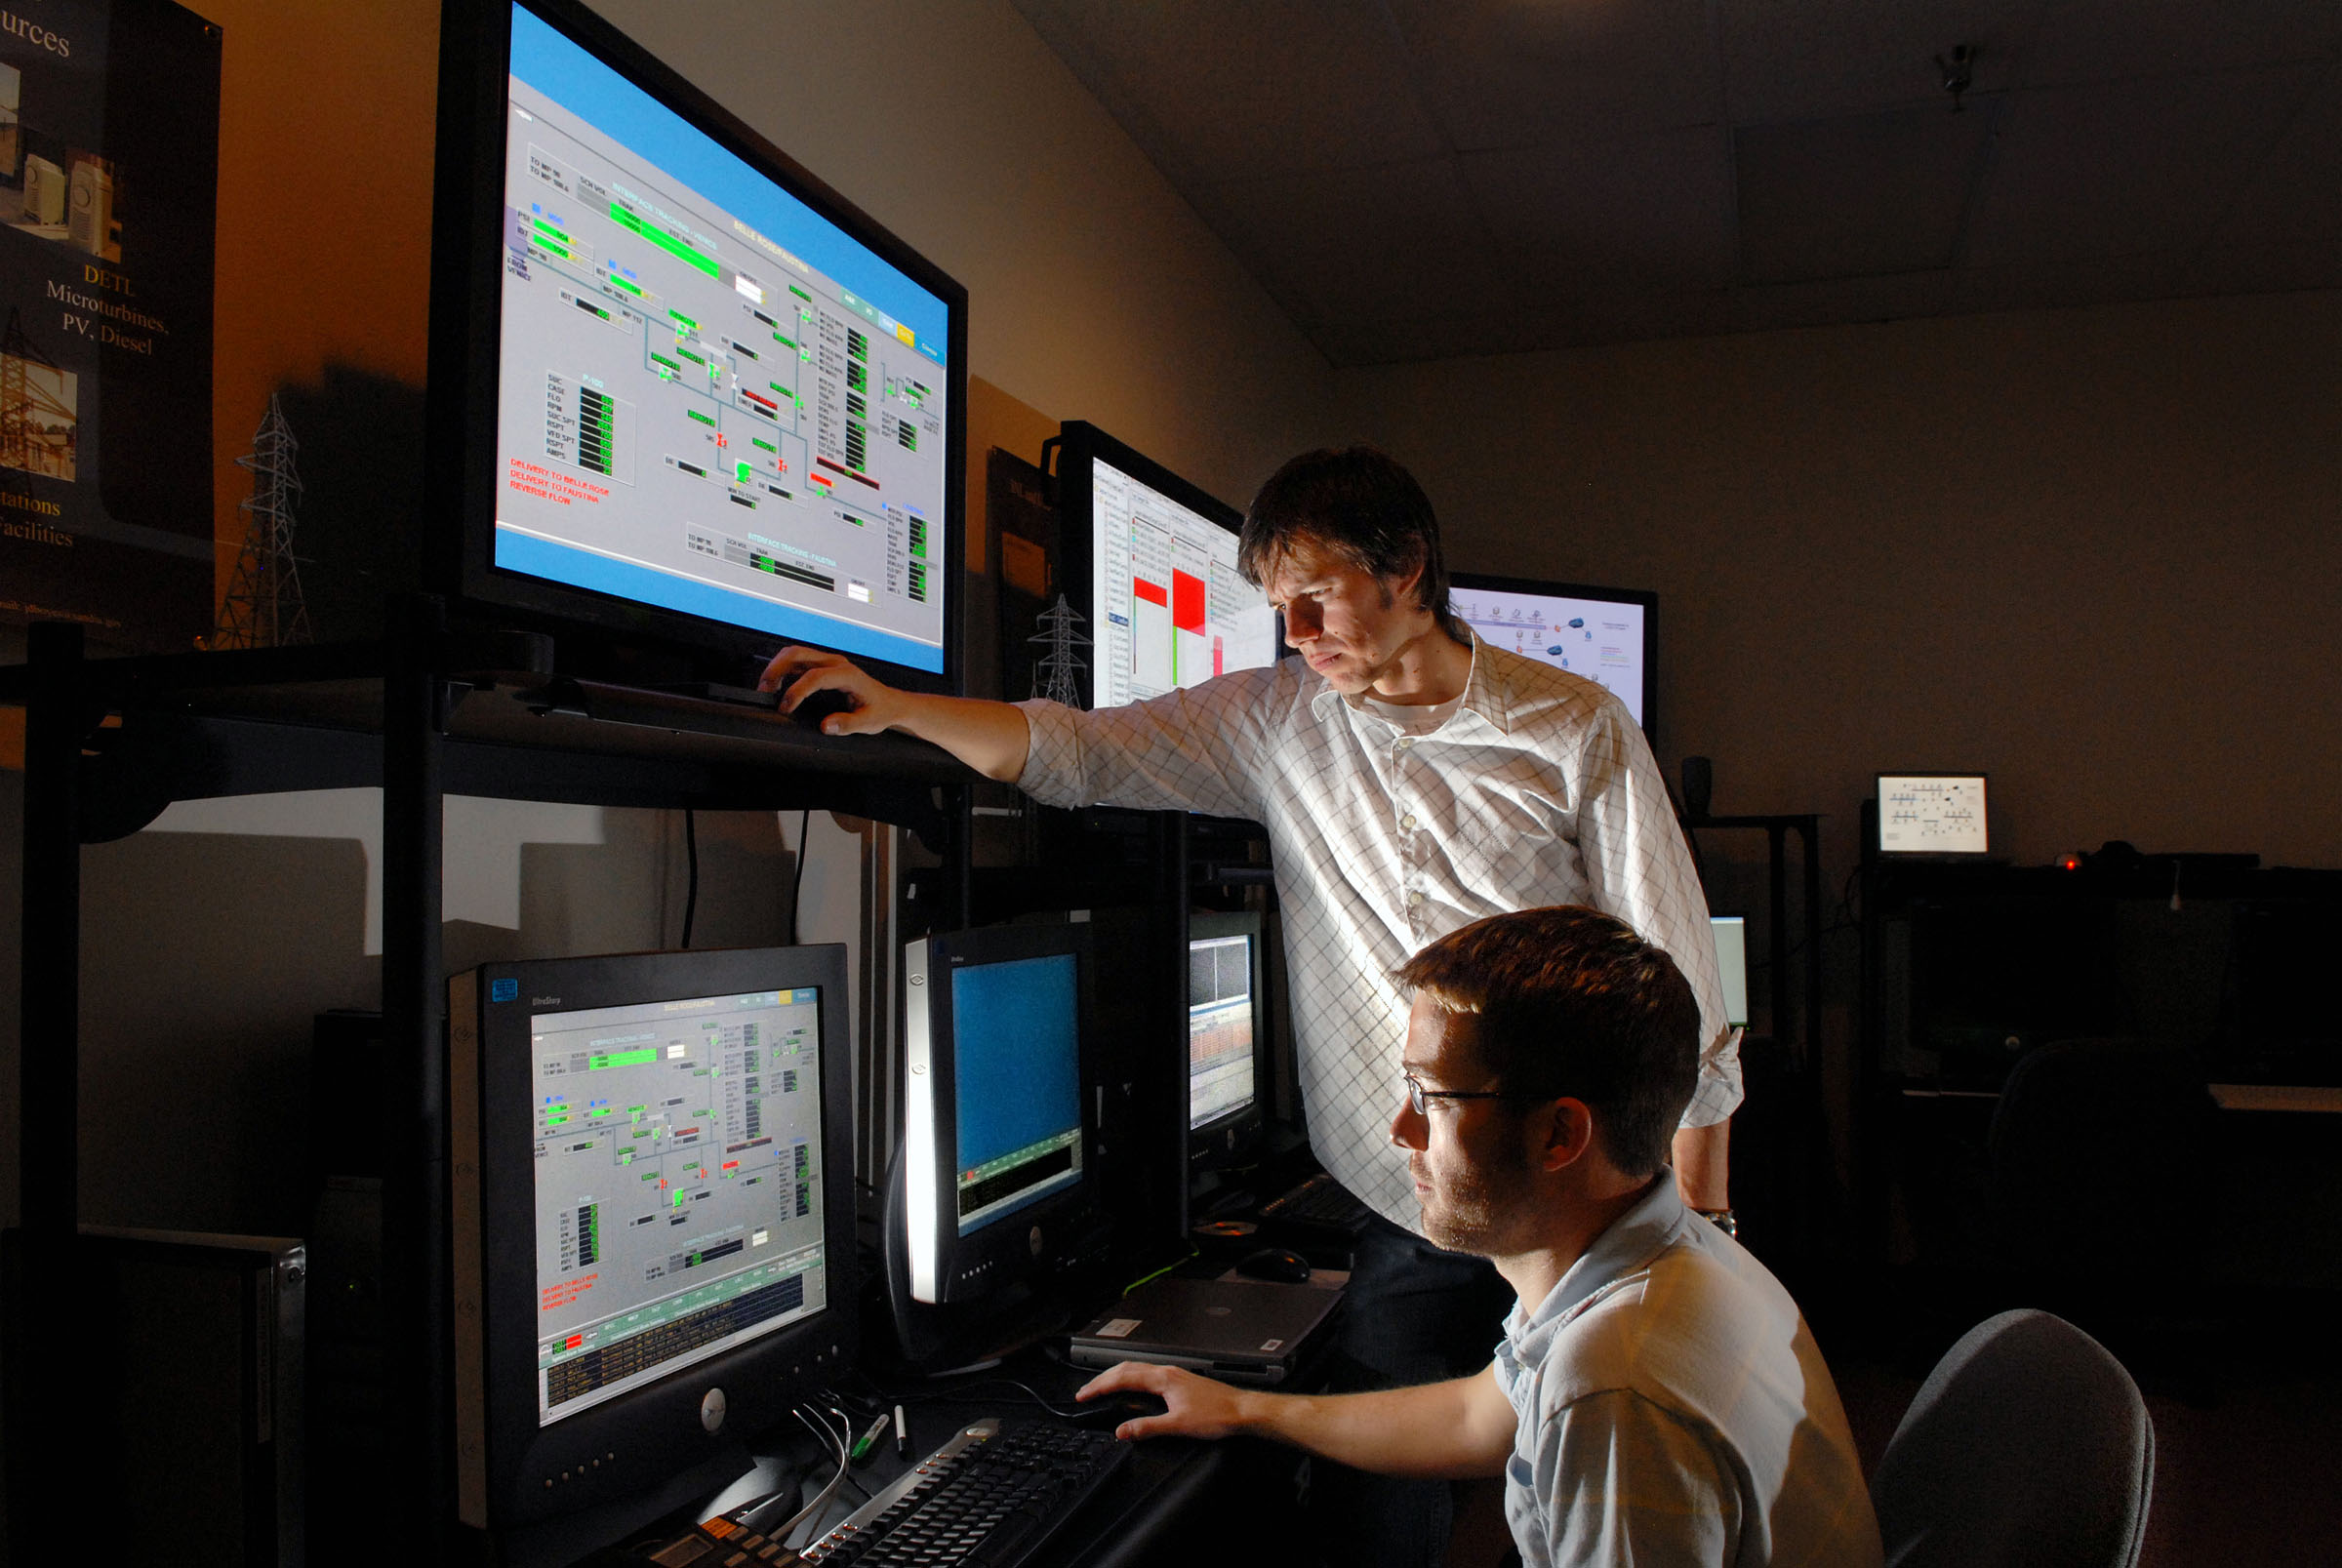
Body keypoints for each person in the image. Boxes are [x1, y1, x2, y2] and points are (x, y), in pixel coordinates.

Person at [763, 445, 1737, 1562]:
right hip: (1410, 1196)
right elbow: (1083, 752)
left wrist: (1702, 1224)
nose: (1295, 631)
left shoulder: (1575, 727)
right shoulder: (1280, 723)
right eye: (1279, 606)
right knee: (1384, 1513)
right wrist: (904, 709)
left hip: (1577, 1193)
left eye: (1315, 597)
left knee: (1598, 1496)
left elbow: (1684, 991)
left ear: (1407, 568)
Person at [1077, 906, 1880, 1568]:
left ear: (1559, 1134)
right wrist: (1251, 1408)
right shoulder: (1672, 1256)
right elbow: (1476, 1418)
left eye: (1430, 1096)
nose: (1400, 1130)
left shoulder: (1614, 1385)